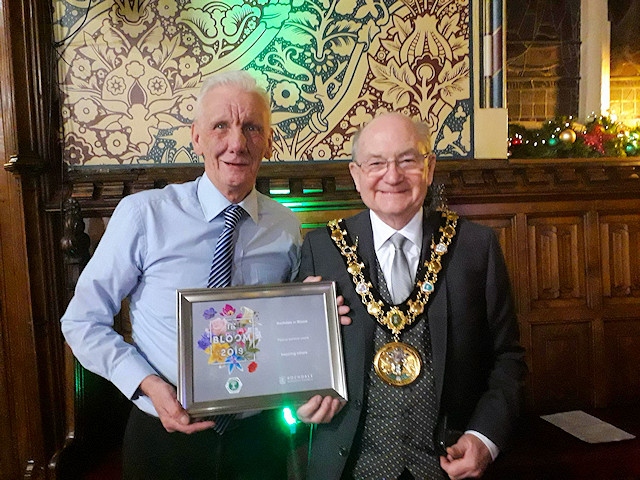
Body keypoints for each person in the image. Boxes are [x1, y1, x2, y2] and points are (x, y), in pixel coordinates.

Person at [60, 70, 345, 479]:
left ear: (267, 141)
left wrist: (319, 318)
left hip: (258, 441)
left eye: (251, 127)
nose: (236, 143)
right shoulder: (144, 215)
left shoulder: (284, 226)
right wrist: (148, 386)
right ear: (196, 137)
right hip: (163, 438)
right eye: (220, 126)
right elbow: (82, 321)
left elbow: (288, 330)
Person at [296, 112, 527, 480]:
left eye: (407, 160)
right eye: (376, 163)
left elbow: (508, 358)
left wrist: (485, 437)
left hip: (448, 466)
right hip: (349, 467)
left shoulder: (475, 247)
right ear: (356, 175)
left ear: (429, 167)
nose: (392, 176)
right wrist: (300, 399)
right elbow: (297, 355)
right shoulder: (320, 249)